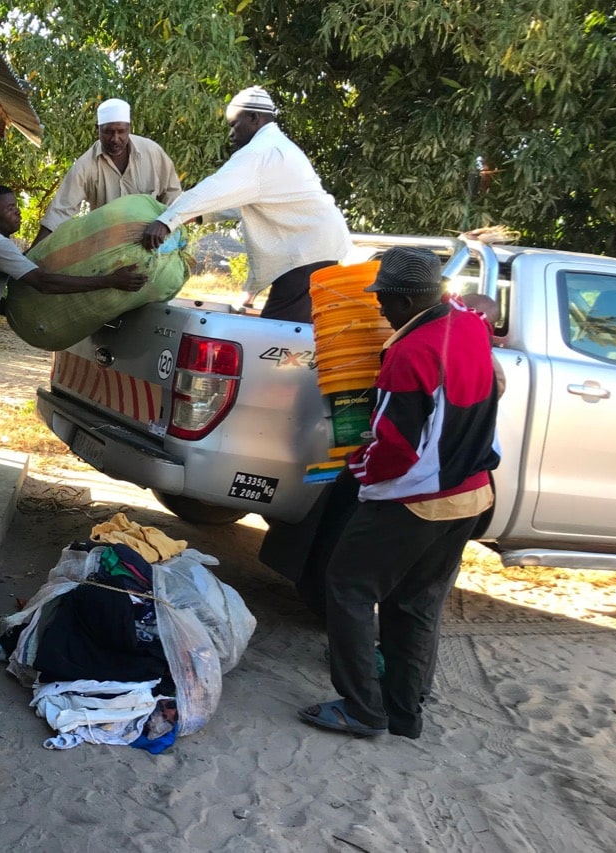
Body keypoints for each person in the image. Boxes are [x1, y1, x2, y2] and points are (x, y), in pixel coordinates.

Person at [298, 247, 500, 740]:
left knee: (347, 585)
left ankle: (362, 708)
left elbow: (395, 450)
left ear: (409, 299)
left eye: (385, 300)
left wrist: (355, 467)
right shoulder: (468, 325)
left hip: (417, 498)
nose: (380, 310)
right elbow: (481, 307)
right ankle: (405, 712)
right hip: (473, 493)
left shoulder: (410, 354)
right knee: (414, 603)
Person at [0, 185, 148, 522]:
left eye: (16, 206)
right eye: (9, 207)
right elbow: (44, 282)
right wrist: (108, 281)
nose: (17, 212)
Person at [141, 86, 351, 322]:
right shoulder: (276, 147)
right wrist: (198, 216)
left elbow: (215, 187)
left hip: (308, 251)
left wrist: (167, 220)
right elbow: (240, 203)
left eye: (234, 125)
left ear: (254, 117)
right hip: (314, 248)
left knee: (277, 335)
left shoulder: (261, 152)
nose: (231, 134)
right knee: (290, 330)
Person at [36, 98, 182, 243]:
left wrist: (165, 224)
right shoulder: (85, 166)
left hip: (153, 244)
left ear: (129, 128)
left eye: (121, 131)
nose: (115, 139)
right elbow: (59, 212)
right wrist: (29, 259)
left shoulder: (152, 153)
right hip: (109, 249)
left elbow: (173, 193)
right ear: (97, 129)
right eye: (108, 132)